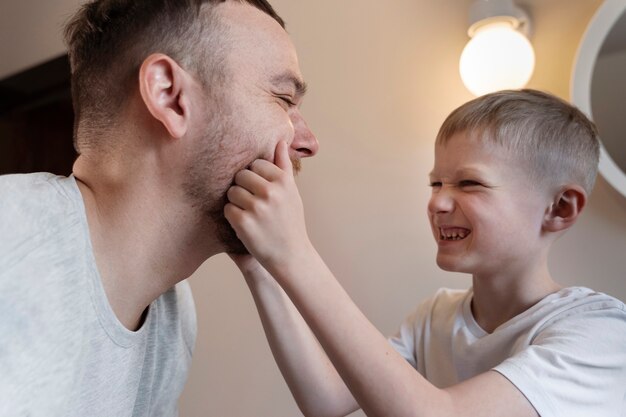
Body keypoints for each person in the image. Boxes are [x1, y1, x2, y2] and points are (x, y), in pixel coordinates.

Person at [0, 0, 318, 416]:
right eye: (282, 98)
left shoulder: (173, 317)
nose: (309, 143)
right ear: (170, 96)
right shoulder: (10, 236)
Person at [225, 89, 626, 417]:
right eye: (436, 184)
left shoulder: (601, 334)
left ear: (559, 209)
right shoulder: (435, 317)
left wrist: (295, 252)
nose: (438, 203)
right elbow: (325, 400)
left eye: (469, 183)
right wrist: (261, 266)